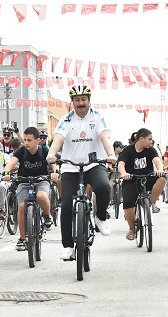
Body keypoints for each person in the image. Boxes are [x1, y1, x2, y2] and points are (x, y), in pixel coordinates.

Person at [46, 84, 117, 261]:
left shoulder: (98, 117)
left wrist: (110, 154)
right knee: (67, 206)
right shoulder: (66, 120)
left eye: (83, 99)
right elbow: (58, 139)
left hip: (93, 164)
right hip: (70, 166)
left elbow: (104, 137)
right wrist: (51, 153)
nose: (80, 103)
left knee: (103, 187)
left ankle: (100, 218)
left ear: (89, 100)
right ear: (72, 102)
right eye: (77, 100)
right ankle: (68, 247)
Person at [2, 127, 57, 251]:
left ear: (37, 140)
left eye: (29, 140)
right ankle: (22, 239)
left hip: (41, 180)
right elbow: (11, 162)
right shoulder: (22, 151)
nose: (26, 143)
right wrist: (6, 172)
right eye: (25, 140)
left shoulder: (43, 151)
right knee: (21, 206)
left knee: (41, 196)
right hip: (24, 182)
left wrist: (55, 172)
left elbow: (53, 162)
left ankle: (47, 217)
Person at [117, 128, 166, 240]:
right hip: (131, 180)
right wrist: (124, 174)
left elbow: (157, 160)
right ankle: (132, 229)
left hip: (147, 177)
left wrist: (159, 169)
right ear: (141, 139)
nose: (151, 141)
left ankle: (152, 203)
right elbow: (121, 164)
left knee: (162, 178)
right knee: (128, 203)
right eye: (149, 139)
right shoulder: (127, 150)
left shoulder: (151, 150)